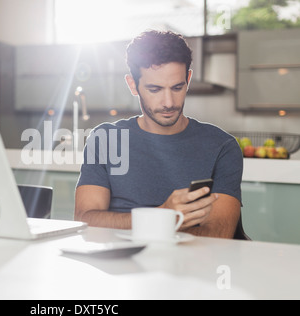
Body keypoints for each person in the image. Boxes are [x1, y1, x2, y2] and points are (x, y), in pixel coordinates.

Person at [75, 30, 243, 239]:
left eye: (177, 87)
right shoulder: (105, 140)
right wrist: (161, 216)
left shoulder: (222, 146)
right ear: (132, 85)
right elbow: (85, 220)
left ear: (188, 79)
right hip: (120, 266)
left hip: (192, 267)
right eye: (155, 89)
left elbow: (219, 235)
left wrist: (136, 224)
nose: (169, 102)